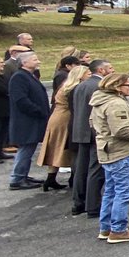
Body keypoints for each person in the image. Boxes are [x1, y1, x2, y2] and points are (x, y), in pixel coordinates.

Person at [89, 72, 129, 243]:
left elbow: (92, 123)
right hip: (119, 152)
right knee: (124, 191)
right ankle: (118, 230)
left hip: (107, 150)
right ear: (117, 86)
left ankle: (107, 227)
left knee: (111, 190)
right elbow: (122, 130)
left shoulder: (99, 101)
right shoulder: (116, 104)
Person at [37, 64, 88, 192]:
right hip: (65, 119)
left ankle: (50, 178)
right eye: (87, 74)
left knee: (54, 148)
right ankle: (73, 178)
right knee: (68, 149)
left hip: (56, 117)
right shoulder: (74, 88)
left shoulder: (65, 85)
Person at [71, 59, 112, 215]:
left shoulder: (81, 85)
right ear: (101, 70)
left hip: (81, 131)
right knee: (96, 169)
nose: (112, 70)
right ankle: (93, 205)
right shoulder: (98, 86)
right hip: (94, 132)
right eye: (110, 68)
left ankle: (78, 202)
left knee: (81, 168)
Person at [7, 51, 50, 190]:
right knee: (26, 149)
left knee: (29, 149)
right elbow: (21, 100)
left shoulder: (29, 76)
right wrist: (38, 110)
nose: (39, 62)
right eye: (35, 59)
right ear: (24, 62)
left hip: (31, 121)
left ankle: (22, 175)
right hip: (26, 121)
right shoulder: (19, 77)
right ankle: (17, 178)